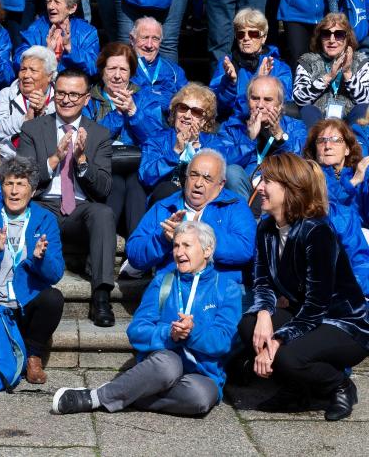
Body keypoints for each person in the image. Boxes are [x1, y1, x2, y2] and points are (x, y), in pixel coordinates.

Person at [53, 221, 241, 417]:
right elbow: (137, 330)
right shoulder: (163, 281)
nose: (179, 252)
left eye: (187, 245)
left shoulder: (227, 288)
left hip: (202, 373)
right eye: (176, 245)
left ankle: (127, 391)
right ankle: (96, 397)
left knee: (200, 398)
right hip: (164, 364)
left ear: (207, 250)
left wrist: (193, 332)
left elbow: (224, 340)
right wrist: (169, 333)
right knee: (168, 366)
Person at [238, 152, 369, 421]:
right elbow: (262, 281)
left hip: (344, 323)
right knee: (250, 326)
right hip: (305, 316)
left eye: (267, 181)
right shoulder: (266, 228)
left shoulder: (316, 231)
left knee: (286, 356)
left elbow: (317, 305)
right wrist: (263, 314)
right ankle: (298, 389)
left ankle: (339, 386)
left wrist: (278, 340)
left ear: (289, 188)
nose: (259, 187)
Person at [17, 68, 117, 327]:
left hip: (80, 209)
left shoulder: (99, 134)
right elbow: (22, 179)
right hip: (42, 205)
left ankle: (101, 297)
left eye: (74, 94)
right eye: (61, 93)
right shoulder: (32, 129)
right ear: (53, 95)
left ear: (86, 99)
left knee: (103, 213)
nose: (66, 99)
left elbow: (104, 188)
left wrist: (82, 161)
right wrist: (54, 159)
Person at [0, 155, 64, 384]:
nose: (14, 191)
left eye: (21, 184)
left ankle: (33, 356)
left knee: (53, 299)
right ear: (2, 188)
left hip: (25, 301)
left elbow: (56, 273)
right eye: (9, 183)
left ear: (33, 190)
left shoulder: (45, 219)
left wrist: (40, 259)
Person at [126, 149, 255, 282]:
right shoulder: (165, 207)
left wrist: (199, 237)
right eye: (194, 175)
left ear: (221, 184)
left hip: (219, 287)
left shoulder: (235, 205)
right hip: (173, 286)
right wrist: (162, 239)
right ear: (186, 177)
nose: (198, 183)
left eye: (207, 178)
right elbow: (134, 254)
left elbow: (246, 250)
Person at [84, 43, 163, 243]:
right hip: (103, 165)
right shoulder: (89, 99)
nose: (117, 76)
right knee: (116, 183)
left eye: (123, 70)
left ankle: (136, 250)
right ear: (102, 70)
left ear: (131, 73)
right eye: (112, 68)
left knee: (136, 185)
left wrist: (134, 112)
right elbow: (90, 138)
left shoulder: (145, 97)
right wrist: (118, 114)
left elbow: (156, 138)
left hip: (138, 165)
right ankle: (104, 247)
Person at [139, 83, 238, 203]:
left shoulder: (213, 143)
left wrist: (196, 148)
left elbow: (217, 175)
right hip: (164, 203)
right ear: (175, 112)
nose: (187, 115)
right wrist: (175, 151)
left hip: (201, 205)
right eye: (183, 108)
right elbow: (146, 177)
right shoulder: (157, 139)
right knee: (168, 189)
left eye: (196, 112)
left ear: (204, 121)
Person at [302, 118, 369, 296]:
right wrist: (353, 182)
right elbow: (326, 207)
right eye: (321, 140)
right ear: (314, 149)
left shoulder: (360, 173)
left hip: (360, 243)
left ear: (347, 149)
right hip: (331, 246)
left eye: (335, 140)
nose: (327, 145)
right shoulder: (308, 176)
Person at [220, 76, 307, 201]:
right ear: (247, 101)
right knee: (232, 172)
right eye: (255, 98)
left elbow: (299, 166)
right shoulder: (233, 126)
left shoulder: (295, 127)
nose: (260, 105)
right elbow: (221, 163)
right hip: (243, 191)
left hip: (279, 193)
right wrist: (249, 139)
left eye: (268, 100)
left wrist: (279, 136)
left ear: (280, 104)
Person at [210, 8, 292, 120]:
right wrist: (230, 84)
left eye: (253, 33)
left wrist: (259, 82)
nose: (246, 38)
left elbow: (281, 104)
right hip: (234, 126)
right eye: (240, 34)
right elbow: (216, 108)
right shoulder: (226, 65)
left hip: (269, 125)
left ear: (264, 37)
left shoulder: (280, 68)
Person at [293, 13, 369, 128]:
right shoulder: (307, 61)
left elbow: (366, 101)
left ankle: (357, 140)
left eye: (339, 34)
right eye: (326, 34)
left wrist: (348, 74)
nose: (332, 40)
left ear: (347, 38)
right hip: (317, 122)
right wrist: (327, 78)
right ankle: (315, 139)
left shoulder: (361, 61)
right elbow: (299, 99)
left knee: (363, 109)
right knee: (308, 110)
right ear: (320, 38)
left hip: (349, 122)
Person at [15, 0, 100, 77]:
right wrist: (45, 52)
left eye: (56, 2)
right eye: (49, 1)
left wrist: (70, 48)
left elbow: (93, 68)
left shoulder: (87, 32)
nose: (51, 6)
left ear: (72, 8)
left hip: (72, 83)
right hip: (42, 82)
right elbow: (18, 61)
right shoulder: (36, 28)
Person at [0, 45, 57, 159]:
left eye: (33, 70)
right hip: (10, 159)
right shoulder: (6, 94)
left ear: (49, 76)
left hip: (48, 160)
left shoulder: (60, 98)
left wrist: (43, 113)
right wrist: (25, 119)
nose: (26, 75)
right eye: (23, 69)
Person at [129, 17, 189, 116]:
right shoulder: (123, 67)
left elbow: (188, 99)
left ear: (160, 42)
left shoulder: (174, 70)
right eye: (144, 37)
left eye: (155, 39)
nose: (149, 45)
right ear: (132, 39)